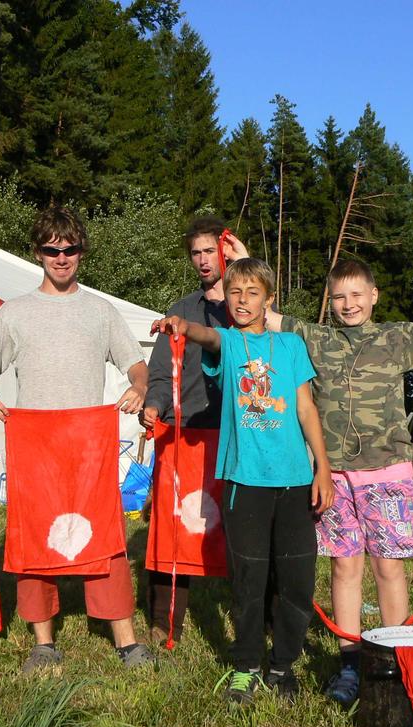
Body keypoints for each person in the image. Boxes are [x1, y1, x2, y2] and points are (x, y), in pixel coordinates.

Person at [263, 243, 413, 706]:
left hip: (387, 474)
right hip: (331, 476)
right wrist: (239, 256)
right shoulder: (315, 339)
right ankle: (351, 663)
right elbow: (262, 308)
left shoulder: (398, 339)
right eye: (338, 297)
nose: (348, 304)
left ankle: (395, 656)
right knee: (344, 566)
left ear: (374, 295)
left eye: (357, 295)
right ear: (328, 302)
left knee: (387, 567)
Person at [0, 206, 155, 672]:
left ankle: (126, 640)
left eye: (69, 249)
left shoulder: (100, 310)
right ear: (38, 253)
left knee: (106, 534)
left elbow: (136, 365)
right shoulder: (15, 313)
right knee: (32, 538)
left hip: (89, 446)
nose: (61, 257)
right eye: (52, 249)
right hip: (36, 446)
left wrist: (139, 386)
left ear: (81, 253)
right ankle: (44, 641)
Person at [152, 258, 334, 704]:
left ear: (268, 299)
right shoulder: (231, 344)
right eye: (235, 293)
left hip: (293, 480)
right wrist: (182, 325)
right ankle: (247, 664)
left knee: (296, 580)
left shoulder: (290, 347)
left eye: (253, 293)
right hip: (243, 482)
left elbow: (306, 409)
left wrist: (322, 469)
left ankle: (283, 665)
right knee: (249, 580)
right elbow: (206, 335)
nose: (243, 301)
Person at [140, 216, 247, 645]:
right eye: (197, 253)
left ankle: (256, 621)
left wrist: (246, 268)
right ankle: (166, 624)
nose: (204, 261)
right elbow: (162, 374)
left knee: (247, 532)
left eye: (211, 251)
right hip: (185, 431)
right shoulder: (180, 311)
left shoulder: (247, 307)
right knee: (172, 528)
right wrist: (154, 405)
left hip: (241, 432)